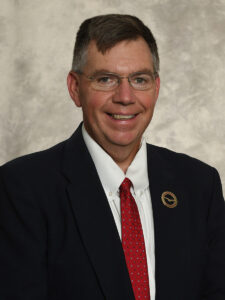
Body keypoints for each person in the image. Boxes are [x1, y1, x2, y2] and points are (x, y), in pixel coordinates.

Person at [0, 14, 225, 300]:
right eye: (106, 79)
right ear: (75, 88)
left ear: (156, 88)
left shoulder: (199, 185)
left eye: (139, 79)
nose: (125, 97)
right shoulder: (23, 188)